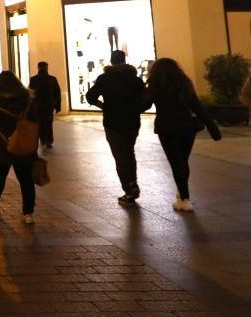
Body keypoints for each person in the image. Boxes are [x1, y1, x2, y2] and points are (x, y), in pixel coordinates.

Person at [143, 58, 221, 212]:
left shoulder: (155, 83)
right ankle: (182, 194)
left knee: (176, 163)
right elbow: (197, 106)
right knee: (182, 161)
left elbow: (145, 104)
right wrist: (213, 127)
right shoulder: (184, 82)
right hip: (187, 127)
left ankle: (184, 198)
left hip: (167, 128)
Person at [85, 50, 146, 204]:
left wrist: (104, 106)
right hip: (132, 122)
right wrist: (136, 109)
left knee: (119, 155)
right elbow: (147, 101)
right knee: (129, 151)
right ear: (125, 61)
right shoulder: (135, 79)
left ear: (111, 61)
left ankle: (129, 189)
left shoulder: (105, 78)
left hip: (113, 122)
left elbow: (90, 96)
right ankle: (133, 182)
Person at [0, 70, 38, 223]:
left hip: (2, 144)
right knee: (26, 179)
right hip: (23, 143)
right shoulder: (27, 99)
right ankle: (28, 212)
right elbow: (35, 119)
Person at [29, 62, 61, 150]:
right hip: (49, 105)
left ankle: (43, 139)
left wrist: (29, 106)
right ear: (47, 68)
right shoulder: (52, 79)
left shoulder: (33, 79)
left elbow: (30, 94)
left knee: (40, 123)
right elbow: (57, 93)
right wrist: (58, 106)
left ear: (38, 67)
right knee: (48, 123)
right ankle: (49, 141)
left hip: (38, 105)